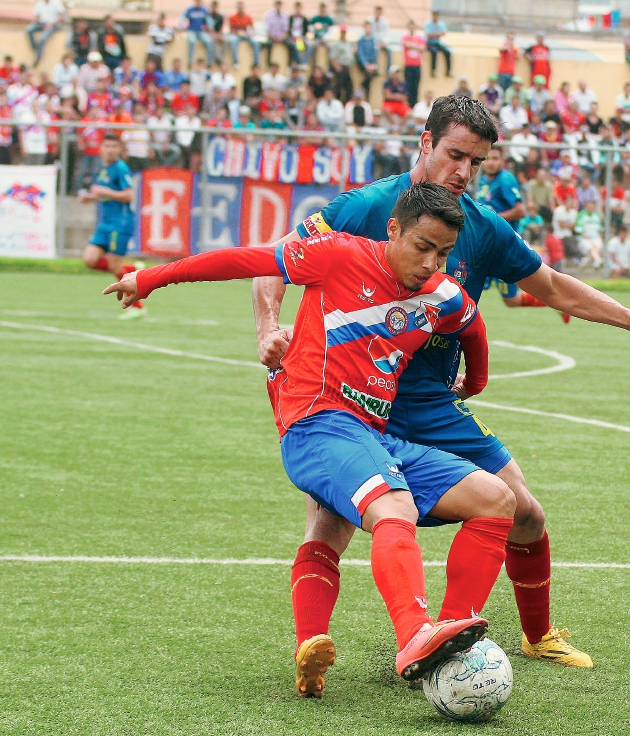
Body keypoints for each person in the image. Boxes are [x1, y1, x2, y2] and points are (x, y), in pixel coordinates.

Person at [251, 97, 630, 685]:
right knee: (329, 522)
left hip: (432, 405)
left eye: (477, 162)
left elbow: (554, 286)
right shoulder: (367, 207)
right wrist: (268, 326)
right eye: (455, 155)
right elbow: (270, 263)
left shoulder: (481, 229)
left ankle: (531, 636)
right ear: (425, 144)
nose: (463, 172)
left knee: (525, 513)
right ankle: (314, 651)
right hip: (351, 401)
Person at [109, 183, 519, 696]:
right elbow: (243, 259)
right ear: (393, 229)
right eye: (421, 247)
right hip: (315, 422)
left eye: (442, 253)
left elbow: (473, 327)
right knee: (392, 507)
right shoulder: (338, 255)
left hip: (372, 435)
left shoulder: (441, 293)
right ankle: (416, 634)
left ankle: (449, 637)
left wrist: (475, 380)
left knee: (497, 500)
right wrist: (152, 278)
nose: (430, 262)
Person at [80, 134, 142, 320]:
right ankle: (130, 269)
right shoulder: (104, 168)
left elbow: (129, 195)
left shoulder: (120, 168)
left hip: (120, 223)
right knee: (90, 260)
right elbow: (106, 194)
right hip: (106, 223)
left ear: (120, 150)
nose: (111, 150)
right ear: (101, 148)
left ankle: (138, 307)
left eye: (115, 146)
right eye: (107, 146)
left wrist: (101, 191)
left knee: (115, 268)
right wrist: (91, 198)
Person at [28, 0, 68, 67]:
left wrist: (51, 24)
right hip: (42, 23)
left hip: (54, 25)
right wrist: (35, 20)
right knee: (29, 29)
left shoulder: (56, 3)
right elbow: (36, 16)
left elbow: (61, 17)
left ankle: (38, 57)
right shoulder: (40, 3)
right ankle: (35, 47)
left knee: (43, 37)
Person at [182, 0, 216, 67]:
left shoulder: (204, 10)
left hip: (201, 31)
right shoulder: (190, 10)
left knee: (209, 41)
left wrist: (211, 27)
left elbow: (209, 19)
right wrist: (180, 26)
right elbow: (183, 18)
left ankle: (210, 61)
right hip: (191, 31)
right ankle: (190, 60)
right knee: (192, 41)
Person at [400, 20, 425, 107]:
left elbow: (423, 48)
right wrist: (416, 46)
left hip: (417, 64)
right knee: (408, 85)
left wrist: (411, 45)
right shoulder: (405, 37)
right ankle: (408, 104)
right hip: (408, 64)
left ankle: (414, 104)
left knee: (416, 86)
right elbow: (404, 44)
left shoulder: (420, 38)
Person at [355, 20, 379, 99]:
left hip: (372, 63)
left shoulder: (373, 40)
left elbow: (375, 53)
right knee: (368, 76)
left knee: (370, 77)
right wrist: (366, 64)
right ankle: (364, 91)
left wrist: (374, 64)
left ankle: (363, 86)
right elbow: (360, 54)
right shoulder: (361, 40)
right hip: (364, 63)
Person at [424, 10, 450, 78]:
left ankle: (448, 71)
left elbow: (444, 33)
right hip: (429, 43)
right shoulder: (428, 24)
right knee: (433, 52)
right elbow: (429, 35)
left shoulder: (440, 24)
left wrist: (434, 34)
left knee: (447, 52)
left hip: (437, 43)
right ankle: (433, 71)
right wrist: (438, 34)